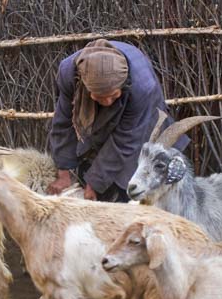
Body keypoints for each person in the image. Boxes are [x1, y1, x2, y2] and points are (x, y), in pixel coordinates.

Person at [46, 39, 173, 201]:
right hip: (97, 104)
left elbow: (124, 141)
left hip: (141, 121)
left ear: (122, 86)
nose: (107, 102)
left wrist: (94, 184)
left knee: (128, 184)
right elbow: (63, 121)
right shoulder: (69, 74)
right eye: (99, 97)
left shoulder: (141, 87)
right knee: (92, 159)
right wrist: (63, 174)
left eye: (113, 95)